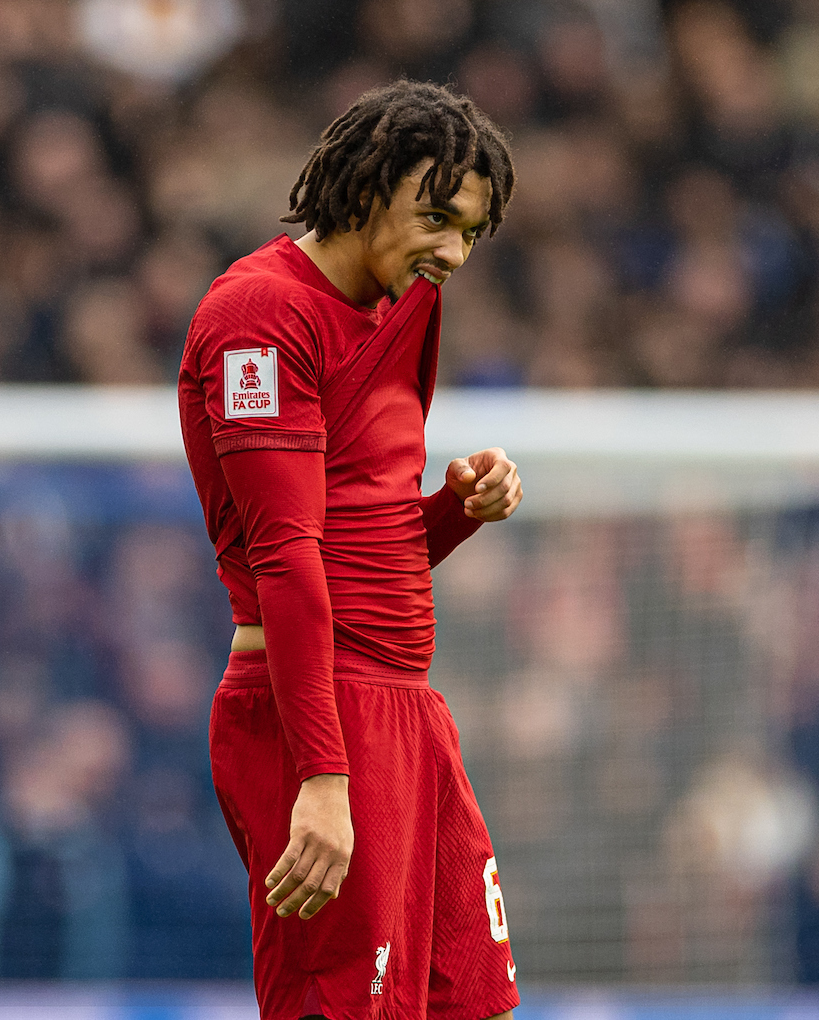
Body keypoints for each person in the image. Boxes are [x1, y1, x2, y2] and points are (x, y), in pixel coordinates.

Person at [177, 80, 522, 1020]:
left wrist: (455, 508)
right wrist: (323, 780)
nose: (452, 251)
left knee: (471, 1004)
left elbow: (364, 541)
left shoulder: (409, 302)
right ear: (367, 188)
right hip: (315, 718)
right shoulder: (257, 318)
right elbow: (286, 555)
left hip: (407, 709)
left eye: (469, 232)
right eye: (436, 217)